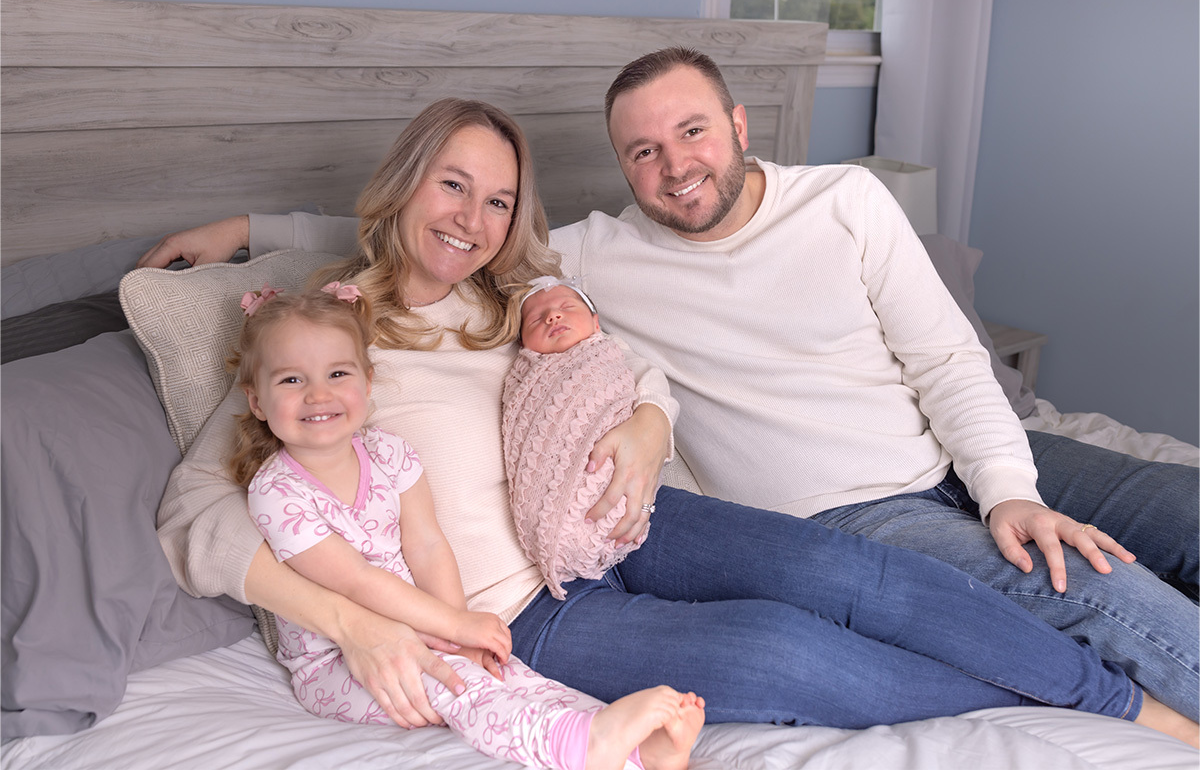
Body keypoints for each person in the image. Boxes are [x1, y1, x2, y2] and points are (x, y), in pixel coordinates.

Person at [140, 98, 1198, 746]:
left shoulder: (519, 293)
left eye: (498, 200)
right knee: (791, 653)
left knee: (860, 576)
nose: (470, 217)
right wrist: (356, 622)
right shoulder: (330, 332)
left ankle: (1134, 705)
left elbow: (625, 363)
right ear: (407, 183)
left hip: (639, 522)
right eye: (451, 185)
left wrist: (647, 426)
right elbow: (199, 505)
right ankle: (1092, 704)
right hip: (527, 611)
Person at [545, 47, 1199, 721]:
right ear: (623, 166)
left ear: (738, 127)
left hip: (953, 450)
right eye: (643, 151)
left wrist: (1006, 491)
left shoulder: (845, 200)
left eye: (692, 131)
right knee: (1101, 589)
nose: (676, 166)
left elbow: (946, 359)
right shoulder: (593, 256)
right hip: (852, 513)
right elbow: (469, 271)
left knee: (1188, 508)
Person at [227, 282, 704, 770]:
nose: (318, 394)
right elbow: (357, 581)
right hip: (341, 661)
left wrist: (464, 636)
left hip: (424, 624)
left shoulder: (389, 454)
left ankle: (637, 753)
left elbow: (429, 546)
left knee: (510, 675)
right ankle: (578, 747)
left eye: (337, 373)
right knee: (459, 688)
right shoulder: (277, 492)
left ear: (367, 383)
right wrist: (455, 629)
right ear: (258, 402)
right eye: (291, 381)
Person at [502, 276, 646, 599]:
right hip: (541, 546)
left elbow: (641, 392)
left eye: (567, 307)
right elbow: (526, 431)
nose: (552, 316)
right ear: (522, 342)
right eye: (536, 319)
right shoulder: (525, 377)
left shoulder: (609, 352)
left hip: (622, 492)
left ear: (596, 322)